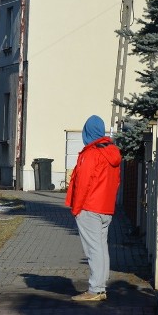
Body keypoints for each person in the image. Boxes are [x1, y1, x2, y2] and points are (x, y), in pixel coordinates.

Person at [65, 115, 122, 302]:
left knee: (93, 249)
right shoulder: (112, 153)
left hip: (89, 207)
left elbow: (83, 184)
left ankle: (96, 289)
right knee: (101, 248)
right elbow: (116, 182)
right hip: (106, 208)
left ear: (87, 132)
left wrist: (76, 208)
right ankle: (100, 286)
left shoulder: (90, 154)